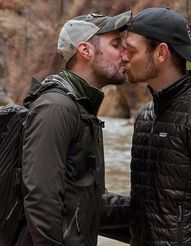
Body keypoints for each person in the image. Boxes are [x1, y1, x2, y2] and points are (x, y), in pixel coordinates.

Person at [16, 10, 132, 246]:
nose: (125, 54)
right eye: (116, 44)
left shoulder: (82, 109)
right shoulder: (56, 108)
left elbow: (88, 203)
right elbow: (41, 199)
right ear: (85, 50)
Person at [122, 7, 191, 245]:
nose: (124, 56)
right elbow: (141, 209)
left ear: (161, 53)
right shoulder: (146, 116)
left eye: (131, 50)